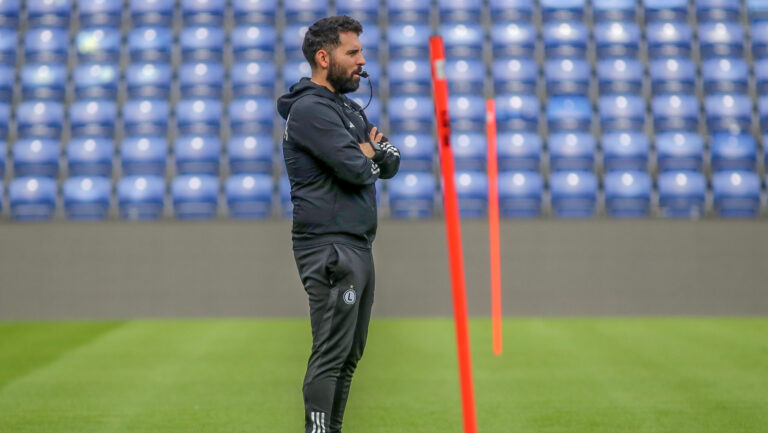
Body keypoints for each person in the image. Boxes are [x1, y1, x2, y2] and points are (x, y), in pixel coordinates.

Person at [276, 15, 400, 433]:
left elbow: (390, 160)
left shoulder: (344, 109)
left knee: (349, 355)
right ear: (324, 57)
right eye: (353, 52)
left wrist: (373, 152)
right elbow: (358, 170)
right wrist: (370, 153)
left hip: (357, 245)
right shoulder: (311, 110)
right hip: (329, 248)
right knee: (331, 353)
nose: (363, 61)